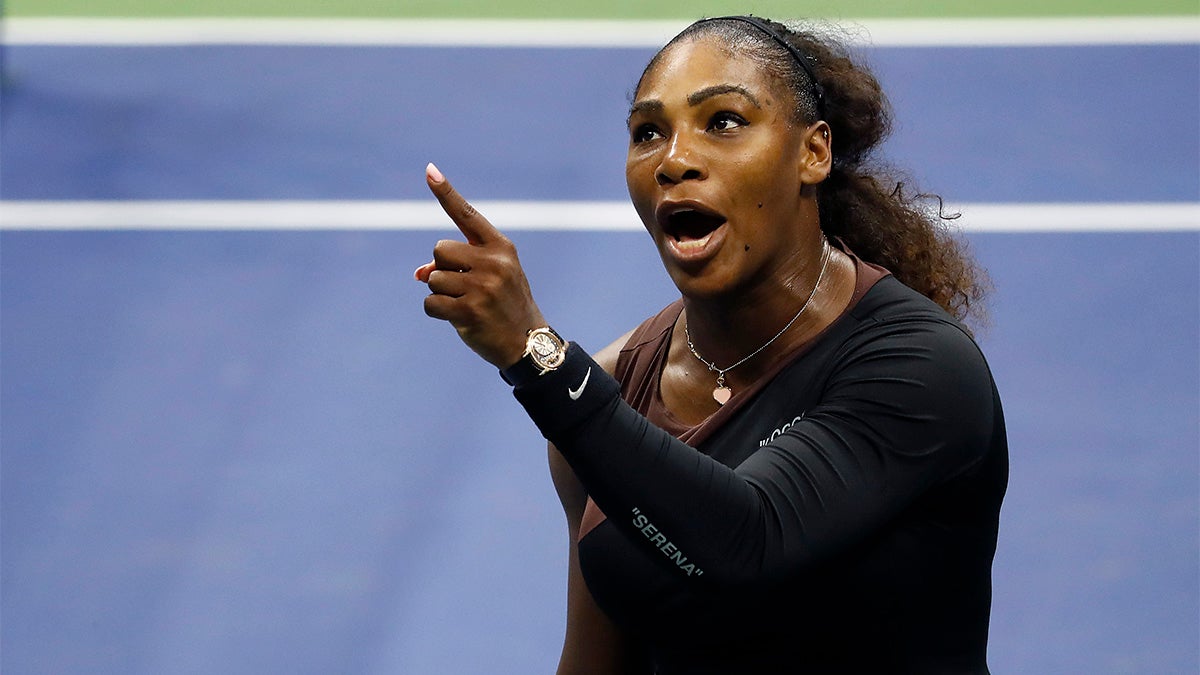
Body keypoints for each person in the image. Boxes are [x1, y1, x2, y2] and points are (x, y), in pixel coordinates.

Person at [415, 15, 1007, 674]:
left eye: (723, 121)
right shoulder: (612, 395)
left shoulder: (922, 368)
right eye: (648, 133)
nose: (675, 160)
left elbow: (750, 543)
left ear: (813, 152)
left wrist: (541, 360)